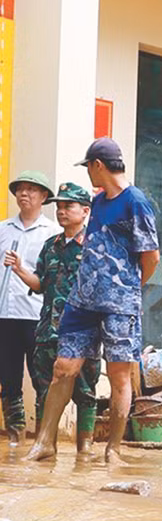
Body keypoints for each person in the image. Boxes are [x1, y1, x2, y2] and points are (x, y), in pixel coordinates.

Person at [26, 138, 160, 465]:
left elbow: (151, 257)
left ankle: (113, 450)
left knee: (119, 375)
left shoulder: (136, 202)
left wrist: (128, 290)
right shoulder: (98, 202)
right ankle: (45, 442)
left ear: (98, 165)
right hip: (82, 302)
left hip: (119, 305)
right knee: (63, 368)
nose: (88, 173)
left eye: (88, 166)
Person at [15, 182, 98, 455]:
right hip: (47, 331)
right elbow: (40, 284)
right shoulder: (50, 246)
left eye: (68, 206)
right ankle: (44, 444)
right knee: (43, 391)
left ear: (85, 210)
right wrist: (20, 270)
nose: (61, 211)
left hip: (81, 334)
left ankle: (85, 450)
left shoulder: (95, 246)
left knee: (85, 393)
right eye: (59, 207)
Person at [1, 169, 59, 443]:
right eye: (20, 189)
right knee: (9, 378)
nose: (24, 194)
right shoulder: (3, 229)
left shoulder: (53, 233)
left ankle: (43, 438)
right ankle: (15, 435)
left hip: (37, 316)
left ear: (44, 197)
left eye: (31, 189)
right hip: (5, 315)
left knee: (41, 378)